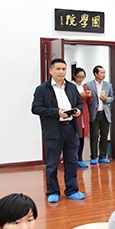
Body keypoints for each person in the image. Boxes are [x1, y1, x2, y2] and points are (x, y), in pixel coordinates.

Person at [31, 58, 86, 203]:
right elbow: (35, 108)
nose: (61, 72)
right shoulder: (42, 89)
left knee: (72, 161)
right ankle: (52, 191)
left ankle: (72, 190)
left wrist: (78, 111)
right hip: (54, 131)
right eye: (58, 69)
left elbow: (79, 103)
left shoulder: (71, 87)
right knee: (52, 163)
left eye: (64, 69)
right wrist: (56, 112)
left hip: (71, 129)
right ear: (51, 71)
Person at [85, 65, 115, 166]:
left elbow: (112, 97)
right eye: (101, 73)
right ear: (96, 74)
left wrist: (107, 99)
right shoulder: (88, 85)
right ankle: (93, 156)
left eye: (104, 72)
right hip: (94, 114)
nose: (103, 74)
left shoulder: (108, 85)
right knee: (94, 137)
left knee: (104, 136)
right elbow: (86, 99)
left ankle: (103, 156)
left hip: (105, 114)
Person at [72, 67, 92, 168]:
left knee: (82, 137)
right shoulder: (71, 86)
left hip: (84, 113)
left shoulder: (84, 86)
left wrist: (89, 96)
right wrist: (80, 96)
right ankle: (73, 158)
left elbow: (89, 102)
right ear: (74, 76)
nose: (80, 79)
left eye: (82, 77)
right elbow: (71, 100)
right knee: (75, 137)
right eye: (79, 77)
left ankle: (80, 158)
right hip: (76, 114)